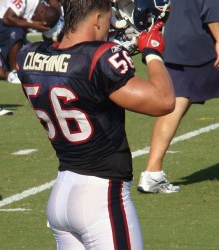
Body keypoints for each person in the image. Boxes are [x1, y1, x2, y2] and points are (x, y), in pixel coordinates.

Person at [17, 0, 175, 249]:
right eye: (108, 20)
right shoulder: (100, 58)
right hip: (101, 197)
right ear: (98, 19)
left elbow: (71, 58)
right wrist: (152, 52)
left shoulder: (28, 55)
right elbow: (163, 101)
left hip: (61, 193)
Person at [137, 0, 219, 194]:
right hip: (203, 38)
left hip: (178, 34)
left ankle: (152, 174)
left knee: (177, 100)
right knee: (177, 100)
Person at [0, 0, 60, 84]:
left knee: (30, 52)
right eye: (41, 24)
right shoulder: (27, 1)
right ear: (42, 12)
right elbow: (7, 18)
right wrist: (33, 25)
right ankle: (14, 72)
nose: (40, 25)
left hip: (15, 33)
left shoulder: (48, 18)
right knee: (16, 32)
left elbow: (48, 41)